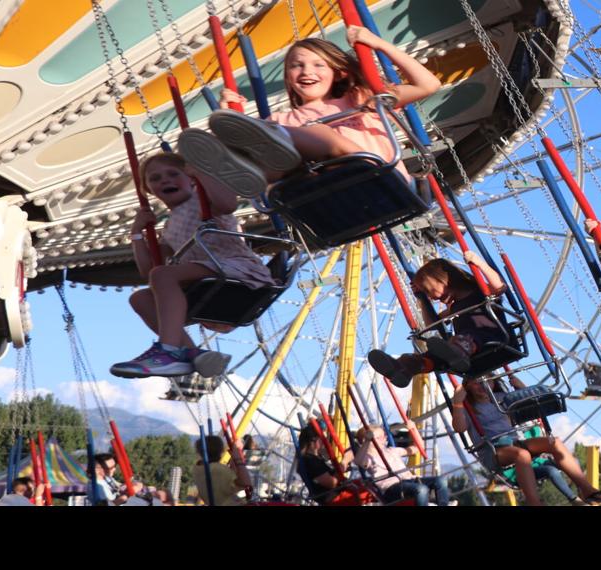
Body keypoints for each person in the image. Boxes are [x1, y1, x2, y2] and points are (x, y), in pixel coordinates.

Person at [178, 28, 441, 197]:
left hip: (374, 175)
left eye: (318, 65)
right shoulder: (281, 120)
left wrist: (378, 44)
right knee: (275, 154)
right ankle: (234, 165)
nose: (306, 72)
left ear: (339, 72)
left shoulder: (359, 98)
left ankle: (238, 154)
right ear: (288, 76)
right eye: (296, 66)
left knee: (311, 134)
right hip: (320, 191)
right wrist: (229, 117)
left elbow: (428, 85)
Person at [109, 152, 267, 379]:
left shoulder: (202, 199)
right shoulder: (170, 225)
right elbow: (148, 271)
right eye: (155, 179)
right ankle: (192, 354)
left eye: (174, 174)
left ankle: (168, 350)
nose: (164, 180)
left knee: (163, 276)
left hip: (236, 273)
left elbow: (228, 204)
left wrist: (203, 173)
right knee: (140, 297)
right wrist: (136, 233)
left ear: (190, 178)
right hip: (207, 285)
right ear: (149, 190)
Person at [452, 377, 601, 506]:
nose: (482, 386)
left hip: (514, 440)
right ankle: (534, 503)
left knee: (554, 442)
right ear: (468, 386)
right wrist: (457, 403)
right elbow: (459, 428)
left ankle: (587, 489)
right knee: (522, 455)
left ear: (493, 382)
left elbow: (532, 407)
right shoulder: (468, 406)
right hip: (493, 449)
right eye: (476, 382)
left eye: (487, 381)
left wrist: (522, 388)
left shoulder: (501, 398)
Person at [367, 254, 508, 387]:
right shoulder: (454, 307)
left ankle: (457, 352)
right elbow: (432, 324)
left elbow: (500, 287)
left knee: (464, 339)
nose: (432, 298)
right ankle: (404, 367)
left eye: (429, 291)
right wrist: (422, 299)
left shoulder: (480, 293)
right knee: (433, 356)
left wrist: (478, 262)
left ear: (443, 279)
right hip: (464, 352)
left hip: (490, 339)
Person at [351, 424, 450, 506]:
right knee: (421, 489)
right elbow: (358, 461)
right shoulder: (368, 457)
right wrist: (367, 441)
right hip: (391, 488)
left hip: (409, 481)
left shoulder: (392, 450)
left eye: (384, 436)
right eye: (379, 437)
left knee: (440, 480)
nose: (384, 438)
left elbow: (417, 448)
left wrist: (413, 429)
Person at [193, 434, 253, 507]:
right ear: (221, 451)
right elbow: (245, 482)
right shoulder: (218, 469)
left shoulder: (197, 469)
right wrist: (238, 457)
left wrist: (233, 458)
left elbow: (231, 474)